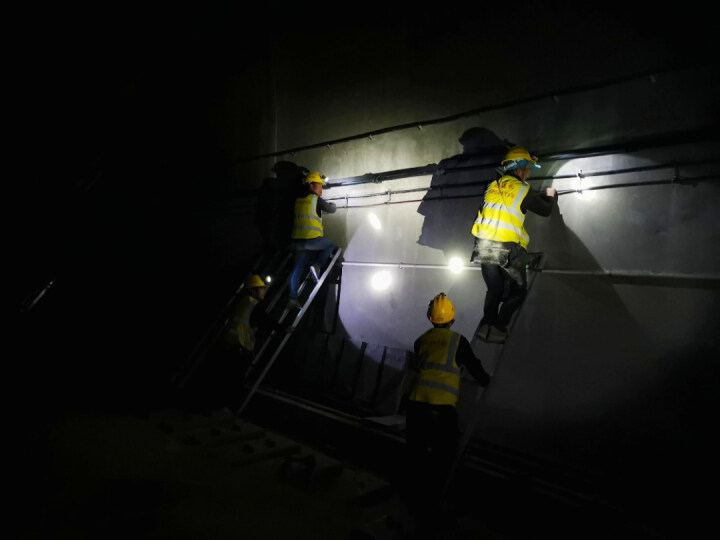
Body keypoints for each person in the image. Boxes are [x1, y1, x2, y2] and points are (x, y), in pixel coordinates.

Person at [403, 293, 491, 531]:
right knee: (443, 457)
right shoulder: (458, 341)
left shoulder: (420, 340)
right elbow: (474, 367)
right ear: (452, 318)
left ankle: (412, 501)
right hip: (441, 408)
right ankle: (431, 507)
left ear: (430, 317)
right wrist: (487, 381)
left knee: (416, 454)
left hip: (416, 403)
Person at [470, 146, 557, 344]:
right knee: (518, 291)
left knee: (494, 290)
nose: (529, 174)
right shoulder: (524, 190)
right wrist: (551, 195)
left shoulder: (491, 186)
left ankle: (486, 327)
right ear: (520, 168)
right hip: (507, 249)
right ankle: (499, 329)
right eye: (528, 169)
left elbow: (505, 195)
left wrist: (527, 159)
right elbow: (545, 210)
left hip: (483, 248)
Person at [287, 171, 337, 309]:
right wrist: (333, 204)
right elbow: (331, 209)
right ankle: (317, 265)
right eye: (320, 185)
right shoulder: (315, 199)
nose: (321, 189)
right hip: (312, 240)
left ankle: (292, 299)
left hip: (298, 243)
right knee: (330, 245)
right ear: (312, 185)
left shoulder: (297, 200)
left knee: (296, 271)